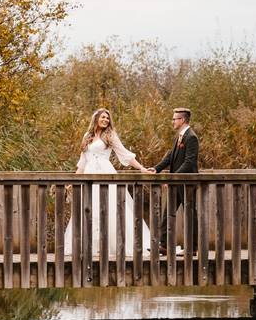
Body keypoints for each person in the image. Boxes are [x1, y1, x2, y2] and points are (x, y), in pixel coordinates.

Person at [64, 108, 152, 255]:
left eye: (107, 118)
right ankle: (90, 245)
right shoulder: (87, 136)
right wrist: (73, 181)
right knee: (89, 208)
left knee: (110, 208)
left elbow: (125, 154)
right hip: (88, 175)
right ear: (96, 118)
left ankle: (113, 244)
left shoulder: (110, 135)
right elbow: (82, 161)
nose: (105, 120)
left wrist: (142, 168)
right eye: (103, 117)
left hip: (105, 173)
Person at [151, 108, 200, 255]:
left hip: (186, 182)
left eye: (174, 119)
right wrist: (156, 169)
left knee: (190, 214)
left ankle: (192, 248)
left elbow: (189, 162)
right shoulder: (179, 136)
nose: (172, 121)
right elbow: (170, 156)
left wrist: (172, 178)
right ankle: (164, 245)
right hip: (177, 182)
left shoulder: (191, 137)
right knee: (168, 212)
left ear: (182, 120)